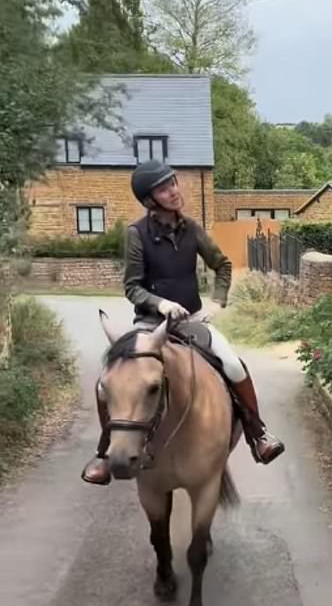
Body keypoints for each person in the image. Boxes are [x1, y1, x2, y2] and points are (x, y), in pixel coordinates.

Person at [81, 160, 285, 485]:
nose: (174, 191)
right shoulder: (136, 234)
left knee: (233, 364)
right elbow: (132, 287)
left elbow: (223, 265)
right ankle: (104, 453)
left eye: (173, 183)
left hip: (190, 321)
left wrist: (217, 301)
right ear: (150, 200)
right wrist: (160, 303)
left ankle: (257, 434)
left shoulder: (192, 228)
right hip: (149, 325)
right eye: (164, 189)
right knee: (106, 382)